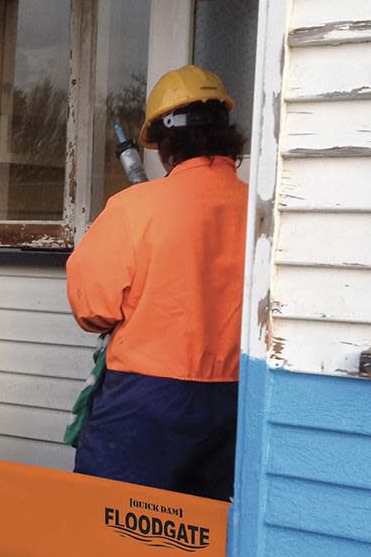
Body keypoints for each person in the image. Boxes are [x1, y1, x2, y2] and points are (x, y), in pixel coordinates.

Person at [65, 64, 248, 500]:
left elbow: (93, 309)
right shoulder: (263, 212)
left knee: (108, 516)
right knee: (205, 526)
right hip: (238, 396)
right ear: (227, 137)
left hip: (146, 398)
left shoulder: (133, 208)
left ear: (165, 148)